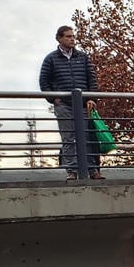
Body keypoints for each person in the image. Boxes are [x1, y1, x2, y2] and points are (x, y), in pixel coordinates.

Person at [38, 24, 96, 179]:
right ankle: (72, 171)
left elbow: (92, 79)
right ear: (59, 38)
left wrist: (91, 98)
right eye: (68, 36)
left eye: (73, 36)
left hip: (83, 104)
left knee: (87, 136)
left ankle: (92, 169)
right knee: (68, 138)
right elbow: (44, 82)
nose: (72, 39)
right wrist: (53, 98)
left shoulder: (82, 57)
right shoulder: (51, 59)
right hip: (63, 104)